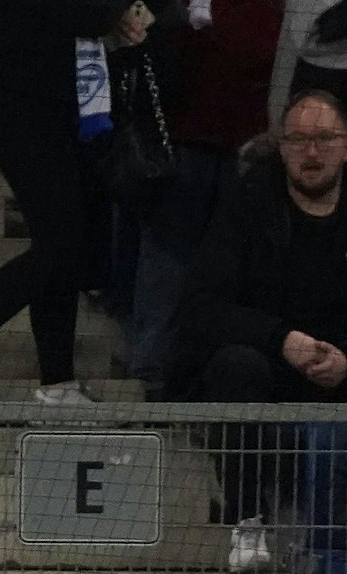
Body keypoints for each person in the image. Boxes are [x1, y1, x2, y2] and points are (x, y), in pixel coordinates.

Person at [0, 0, 152, 405]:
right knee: (62, 244)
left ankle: (57, 381)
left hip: (73, 112)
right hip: (21, 110)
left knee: (65, 248)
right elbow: (86, 14)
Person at [176, 89, 347, 572]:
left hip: (341, 372)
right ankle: (247, 520)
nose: (311, 153)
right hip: (271, 367)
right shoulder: (248, 204)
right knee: (235, 366)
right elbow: (200, 307)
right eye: (297, 140)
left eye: (325, 139)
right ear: (281, 147)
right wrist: (283, 340)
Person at [130, 0, 283, 396]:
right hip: (181, 141)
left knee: (231, 266)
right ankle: (154, 370)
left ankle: (198, 370)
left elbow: (261, 46)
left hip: (246, 146)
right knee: (168, 257)